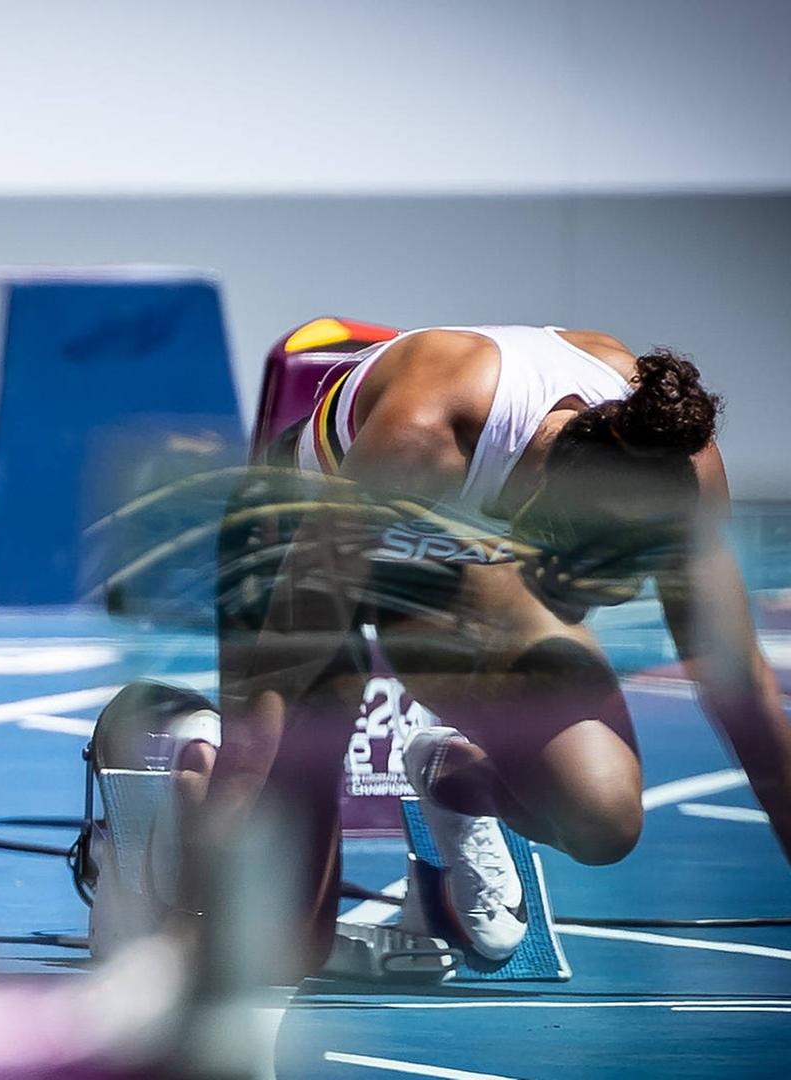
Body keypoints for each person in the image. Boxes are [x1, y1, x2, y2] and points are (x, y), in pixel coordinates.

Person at [189, 324, 791, 976]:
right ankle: (177, 756)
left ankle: (452, 787)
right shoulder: (428, 433)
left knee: (601, 818)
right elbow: (283, 676)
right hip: (300, 533)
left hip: (456, 568)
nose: (602, 604)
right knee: (277, 947)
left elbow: (745, 693)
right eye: (586, 584)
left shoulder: (675, 465)